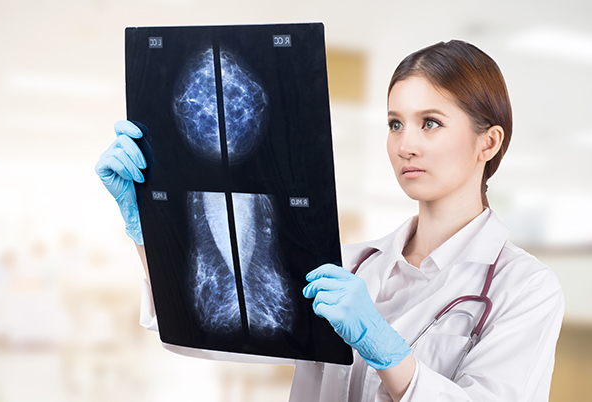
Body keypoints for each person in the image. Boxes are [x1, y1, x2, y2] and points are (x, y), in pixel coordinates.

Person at [96, 40, 564, 401]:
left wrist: (389, 354)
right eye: (395, 123)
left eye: (431, 123)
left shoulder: (524, 289)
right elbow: (208, 336)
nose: (406, 145)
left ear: (489, 142)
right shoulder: (350, 265)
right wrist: (148, 230)